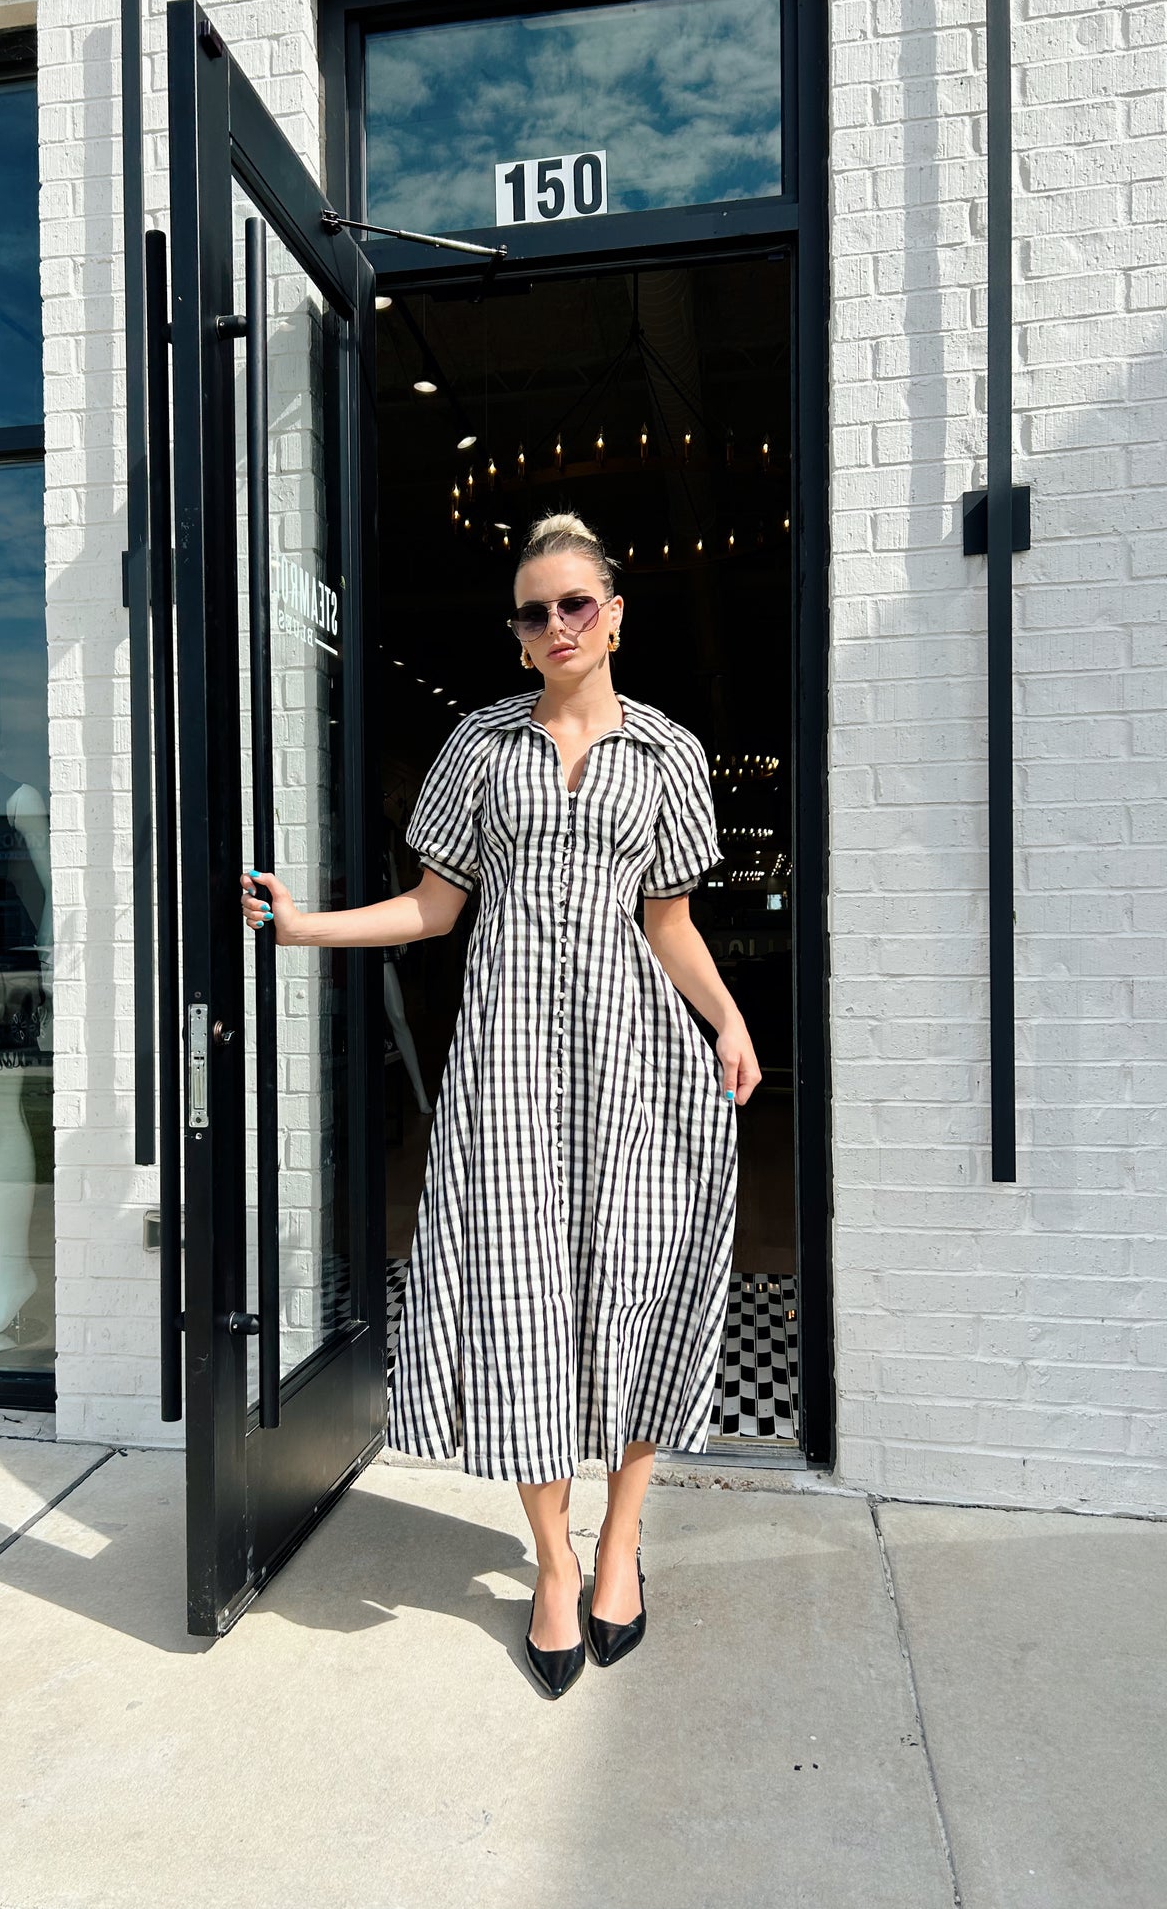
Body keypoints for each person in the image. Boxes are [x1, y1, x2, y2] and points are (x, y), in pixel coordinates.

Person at [239, 511, 760, 1698]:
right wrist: (301, 924)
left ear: (615, 613)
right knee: (521, 1300)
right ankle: (553, 1561)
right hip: (507, 1071)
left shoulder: (667, 755)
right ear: (518, 636)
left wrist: (725, 1020)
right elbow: (432, 908)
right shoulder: (478, 746)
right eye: (535, 610)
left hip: (635, 1065)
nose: (557, 625)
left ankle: (623, 1540)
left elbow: (667, 922)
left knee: (635, 1289)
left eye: (576, 602)